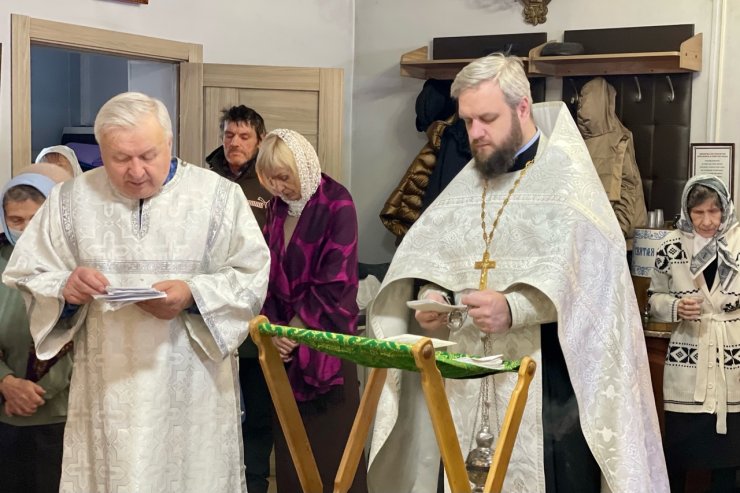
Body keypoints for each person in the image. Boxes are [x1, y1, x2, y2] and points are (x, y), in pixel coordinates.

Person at [367, 53, 668, 493]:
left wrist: (516, 308)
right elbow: (436, 255)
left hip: (550, 387)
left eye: (487, 119)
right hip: (463, 378)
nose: (475, 133)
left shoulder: (568, 183)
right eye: (468, 121)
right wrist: (433, 297)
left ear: (522, 107)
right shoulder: (465, 184)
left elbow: (597, 285)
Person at [2, 91, 271, 493]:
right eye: (120, 158)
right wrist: (66, 287)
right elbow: (28, 272)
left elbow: (252, 275)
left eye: (148, 155)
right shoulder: (70, 200)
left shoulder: (218, 197)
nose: (136, 171)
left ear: (169, 142)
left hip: (192, 391)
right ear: (101, 151)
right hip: (107, 392)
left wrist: (191, 294)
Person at [255, 128, 367, 493]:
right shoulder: (276, 209)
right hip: (285, 350)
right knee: (292, 456)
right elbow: (267, 275)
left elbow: (336, 280)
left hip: (327, 345)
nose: (278, 187)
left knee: (333, 456)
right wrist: (275, 330)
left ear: (302, 166)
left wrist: (294, 329)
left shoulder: (338, 202)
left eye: (283, 177)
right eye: (270, 179)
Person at [649, 175, 740, 493]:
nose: (706, 221)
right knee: (680, 455)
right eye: (698, 212)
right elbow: (653, 300)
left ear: (725, 208)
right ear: (687, 212)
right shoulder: (671, 245)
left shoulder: (739, 242)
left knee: (730, 460)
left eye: (713, 211)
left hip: (732, 356)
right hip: (688, 356)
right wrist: (675, 307)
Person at [206, 104, 274, 493]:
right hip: (212, 313)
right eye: (229, 135)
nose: (234, 142)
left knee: (258, 413)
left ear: (259, 140)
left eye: (244, 136)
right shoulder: (205, 181)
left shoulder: (269, 184)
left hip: (257, 316)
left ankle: (255, 483)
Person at [0, 163, 73, 493]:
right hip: (4, 410)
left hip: (58, 414)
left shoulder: (72, 263)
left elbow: (83, 333)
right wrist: (6, 383)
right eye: (16, 220)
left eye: (35, 218)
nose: (26, 228)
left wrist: (35, 393)